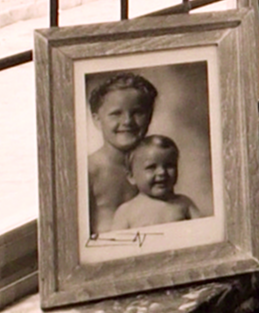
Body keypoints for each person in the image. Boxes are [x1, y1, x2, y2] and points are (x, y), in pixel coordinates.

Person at [86, 72, 158, 234]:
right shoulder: (88, 172)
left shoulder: (158, 165)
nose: (127, 121)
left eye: (137, 112)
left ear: (150, 117)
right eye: (116, 113)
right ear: (97, 120)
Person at [110, 135, 205, 230]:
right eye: (151, 167)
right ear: (131, 176)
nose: (162, 172)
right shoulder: (127, 211)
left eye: (169, 166)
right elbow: (117, 243)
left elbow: (204, 232)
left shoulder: (184, 204)